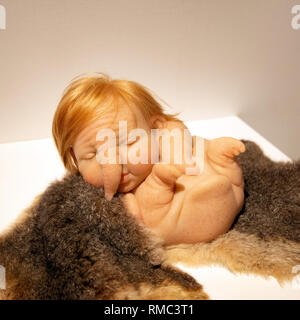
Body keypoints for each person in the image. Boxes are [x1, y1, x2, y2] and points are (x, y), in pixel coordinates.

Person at [52, 73, 246, 245]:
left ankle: (223, 164)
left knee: (201, 147)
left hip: (230, 189)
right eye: (93, 155)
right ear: (74, 158)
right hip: (187, 214)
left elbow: (176, 130)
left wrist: (196, 152)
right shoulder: (107, 201)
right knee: (145, 214)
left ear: (154, 128)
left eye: (128, 142)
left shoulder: (164, 140)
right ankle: (202, 192)